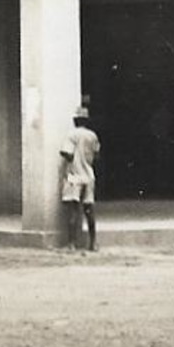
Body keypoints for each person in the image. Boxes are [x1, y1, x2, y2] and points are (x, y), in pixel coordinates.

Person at [60, 101, 101, 251]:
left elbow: (67, 153)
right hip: (88, 175)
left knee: (73, 211)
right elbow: (96, 155)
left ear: (75, 121)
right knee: (89, 210)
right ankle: (93, 243)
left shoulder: (72, 135)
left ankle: (71, 244)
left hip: (74, 176)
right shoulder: (92, 135)